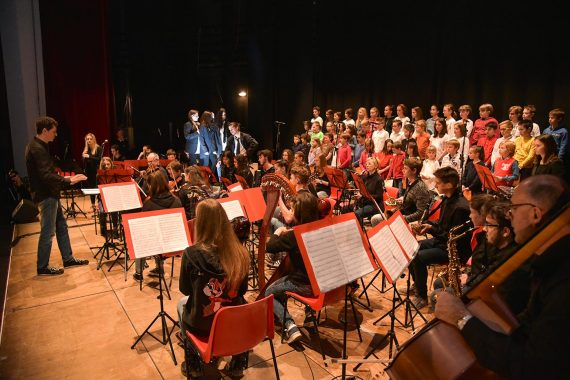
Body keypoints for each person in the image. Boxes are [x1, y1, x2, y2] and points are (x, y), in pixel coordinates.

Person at [435, 175, 570, 379]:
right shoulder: (549, 259)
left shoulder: (562, 280)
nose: (510, 214)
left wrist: (463, 319)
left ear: (535, 214)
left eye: (514, 208)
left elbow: (530, 365)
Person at [178, 199, 250, 378]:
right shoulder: (240, 252)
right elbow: (242, 291)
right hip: (233, 324)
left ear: (199, 224)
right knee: (240, 304)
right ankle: (237, 364)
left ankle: (194, 363)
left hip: (202, 325)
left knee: (181, 305)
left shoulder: (191, 254)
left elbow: (185, 290)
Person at [25, 116, 89, 275]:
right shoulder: (37, 149)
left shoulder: (40, 146)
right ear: (44, 131)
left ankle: (68, 258)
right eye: (53, 131)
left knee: (61, 227)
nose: (56, 134)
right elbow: (46, 175)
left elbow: (48, 173)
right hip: (46, 195)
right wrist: (67, 180)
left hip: (50, 194)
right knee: (48, 231)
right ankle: (42, 266)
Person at [408, 166, 472, 308]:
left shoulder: (460, 207)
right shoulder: (447, 199)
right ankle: (417, 285)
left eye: (438, 182)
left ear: (448, 185)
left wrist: (431, 229)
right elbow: (441, 224)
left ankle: (422, 297)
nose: (435, 184)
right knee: (411, 247)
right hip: (442, 241)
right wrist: (427, 224)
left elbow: (452, 237)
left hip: (453, 249)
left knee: (418, 257)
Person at [264, 192, 320, 344]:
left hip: (304, 285)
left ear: (300, 213)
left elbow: (270, 246)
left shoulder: (294, 236)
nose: (291, 212)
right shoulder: (319, 228)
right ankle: (309, 317)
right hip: (322, 282)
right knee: (279, 287)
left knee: (268, 293)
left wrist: (277, 233)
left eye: (293, 210)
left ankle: (290, 326)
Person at [134, 170, 182, 280]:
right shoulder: (177, 200)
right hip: (174, 240)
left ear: (152, 185)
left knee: (139, 237)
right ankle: (159, 268)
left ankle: (138, 273)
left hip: (157, 244)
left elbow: (144, 228)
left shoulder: (149, 204)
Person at [354, 157, 384, 225]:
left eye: (369, 164)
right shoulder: (365, 177)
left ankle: (360, 232)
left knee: (357, 213)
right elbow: (361, 189)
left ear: (375, 166)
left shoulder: (379, 179)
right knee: (345, 209)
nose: (367, 165)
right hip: (365, 202)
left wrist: (363, 195)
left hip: (375, 205)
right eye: (366, 164)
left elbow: (379, 196)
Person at [82, 133, 103, 212]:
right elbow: (84, 163)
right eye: (87, 139)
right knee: (91, 188)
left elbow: (99, 159)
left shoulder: (98, 148)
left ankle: (99, 205)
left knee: (96, 188)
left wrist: (89, 156)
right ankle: (93, 205)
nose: (89, 140)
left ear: (94, 139)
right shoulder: (86, 150)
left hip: (96, 171)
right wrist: (84, 158)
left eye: (90, 139)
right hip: (89, 172)